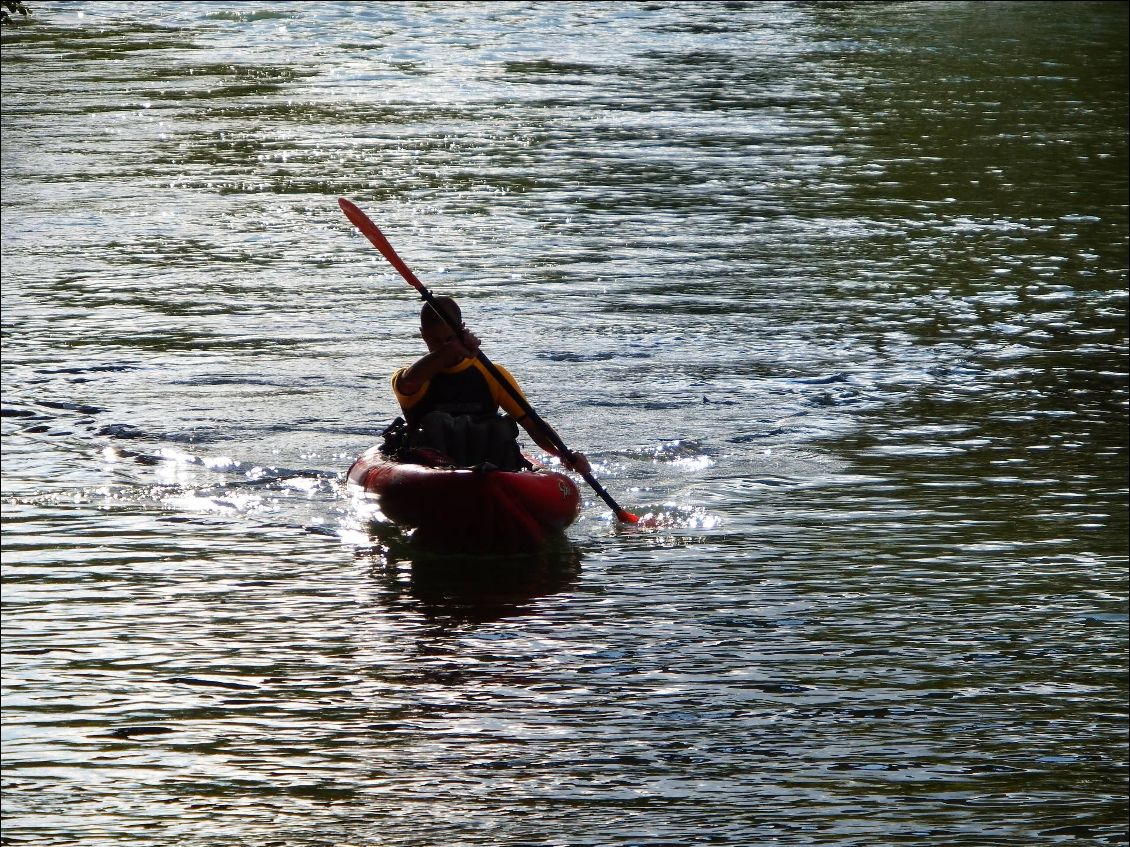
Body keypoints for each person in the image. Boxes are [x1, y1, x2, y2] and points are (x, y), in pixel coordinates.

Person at [390, 296, 591, 475]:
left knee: (499, 427)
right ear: (423, 335)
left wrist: (563, 453)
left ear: (462, 330)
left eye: (450, 339)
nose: (444, 346)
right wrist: (451, 349)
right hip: (432, 472)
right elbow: (409, 382)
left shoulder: (492, 374)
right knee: (436, 423)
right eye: (436, 340)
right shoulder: (412, 377)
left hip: (486, 468)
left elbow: (532, 424)